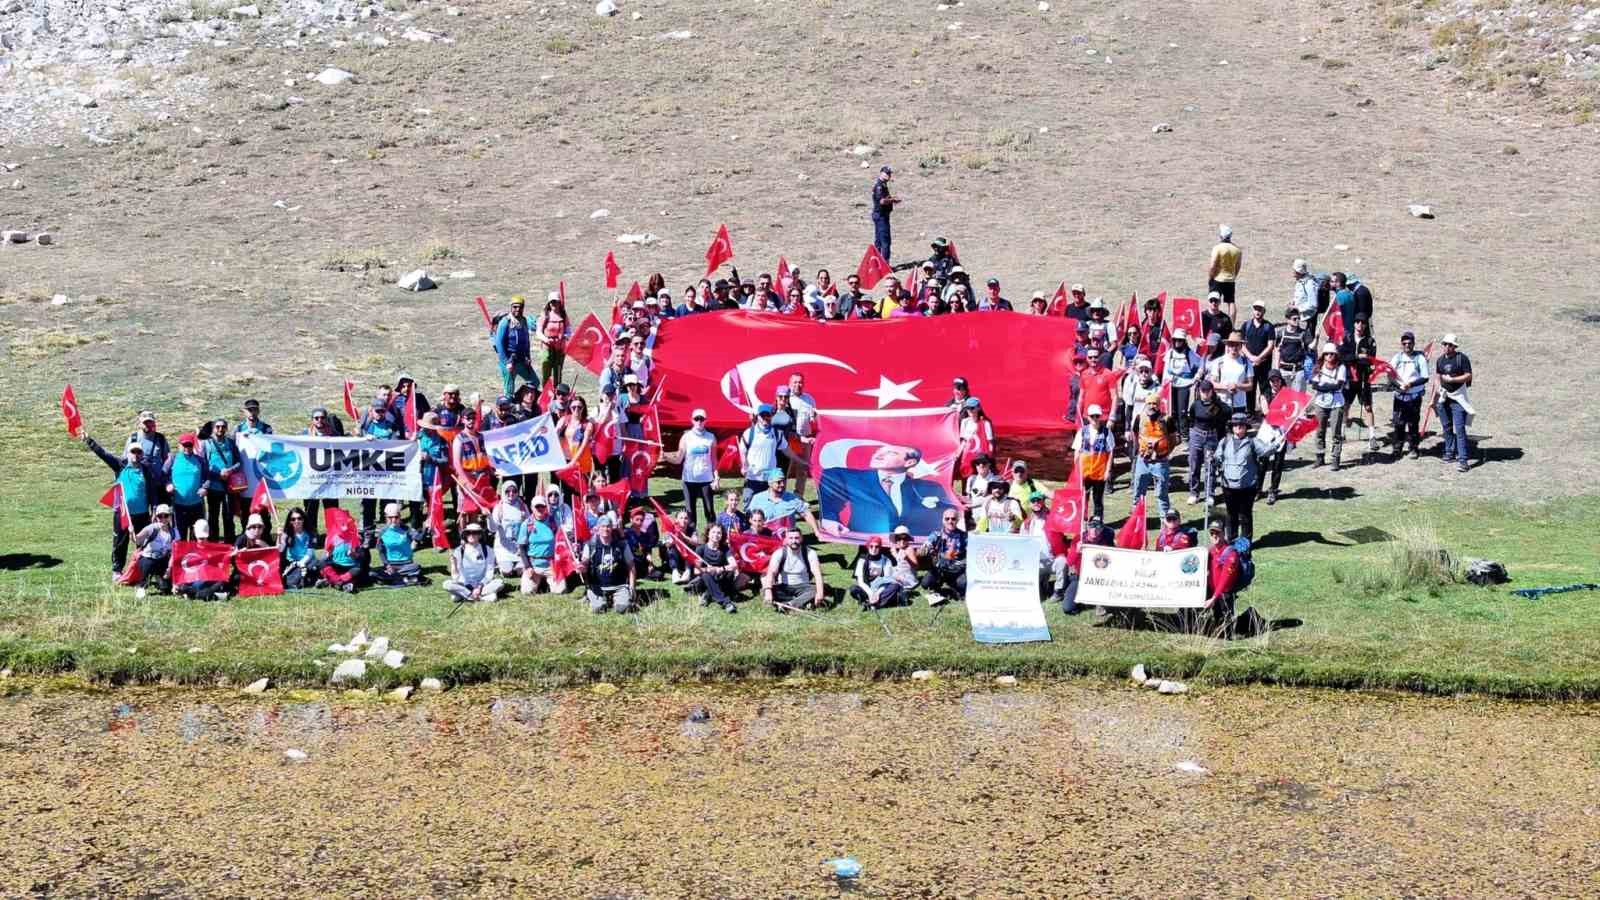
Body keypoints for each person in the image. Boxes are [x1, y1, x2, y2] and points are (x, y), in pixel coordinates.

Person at [1214, 413, 1273, 541]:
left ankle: (1246, 543)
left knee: (1245, 515)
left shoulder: (1253, 442)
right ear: (1232, 427)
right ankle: (1231, 540)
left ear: (1246, 427)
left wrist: (1276, 445)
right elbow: (1217, 456)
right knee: (1231, 514)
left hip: (1247, 486)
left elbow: (1265, 451)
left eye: (1241, 425)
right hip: (1228, 486)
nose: (1238, 427)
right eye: (1235, 425)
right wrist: (1213, 460)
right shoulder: (1224, 442)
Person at [659, 407, 718, 531]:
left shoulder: (711, 437)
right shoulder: (686, 437)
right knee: (690, 514)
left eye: (701, 419)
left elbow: (713, 460)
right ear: (692, 420)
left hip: (706, 479)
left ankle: (713, 539)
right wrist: (666, 457)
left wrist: (716, 477)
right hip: (689, 480)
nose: (699, 421)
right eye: (696, 419)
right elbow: (679, 459)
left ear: (705, 420)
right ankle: (692, 539)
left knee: (710, 512)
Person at [1339, 313, 1380, 458]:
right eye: (1357, 322)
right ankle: (1342, 433)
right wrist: (1356, 357)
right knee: (1345, 406)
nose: (1360, 325)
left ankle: (1372, 436)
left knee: (1368, 407)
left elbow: (1371, 360)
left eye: (1363, 323)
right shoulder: (1347, 338)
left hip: (1364, 379)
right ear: (1354, 323)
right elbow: (1342, 357)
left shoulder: (1370, 341)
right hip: (1350, 379)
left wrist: (1358, 359)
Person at [1130, 394, 1177, 518]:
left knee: (1162, 494)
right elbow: (1135, 435)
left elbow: (1173, 439)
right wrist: (1139, 449)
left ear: (1159, 404)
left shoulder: (1167, 419)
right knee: (1138, 492)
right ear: (1146, 404)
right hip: (1143, 461)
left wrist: (1167, 452)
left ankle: (1165, 523)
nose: (1152, 406)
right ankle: (1137, 520)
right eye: (1149, 403)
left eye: (1155, 403)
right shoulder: (1139, 418)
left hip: (1160, 462)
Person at [1387, 330, 1431, 460]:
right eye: (1404, 343)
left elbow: (1425, 378)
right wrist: (1398, 386)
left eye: (1409, 343)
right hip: (1399, 396)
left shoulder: (1419, 358)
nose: (1407, 345)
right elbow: (1389, 375)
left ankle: (1413, 448)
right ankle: (1397, 449)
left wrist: (1410, 385)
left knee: (1413, 423)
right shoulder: (1397, 357)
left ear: (1413, 343)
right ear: (1401, 344)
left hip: (1414, 397)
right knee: (1398, 423)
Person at [1021, 493, 1070, 606]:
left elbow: (1067, 521)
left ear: (1043, 502)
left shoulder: (1054, 518)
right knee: (1038, 596)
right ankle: (1043, 584)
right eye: (1033, 501)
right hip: (1036, 562)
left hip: (1053, 559)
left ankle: (1058, 591)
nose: (1036, 503)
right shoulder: (1026, 524)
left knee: (1062, 561)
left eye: (1039, 500)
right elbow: (1022, 544)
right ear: (1030, 504)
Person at [1434, 333, 1474, 472]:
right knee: (1446, 427)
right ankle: (1449, 452)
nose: (1446, 347)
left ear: (1454, 346)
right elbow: (1437, 376)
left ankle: (1463, 460)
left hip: (1458, 398)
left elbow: (1468, 375)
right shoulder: (1440, 360)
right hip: (1444, 398)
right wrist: (1438, 389)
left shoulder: (1461, 358)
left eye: (1449, 345)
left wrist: (1453, 380)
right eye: (1444, 344)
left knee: (1460, 429)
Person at [762, 527, 826, 613]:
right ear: (786, 539)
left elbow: (818, 574)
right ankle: (803, 602)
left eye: (796, 538)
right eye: (791, 538)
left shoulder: (810, 553)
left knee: (816, 589)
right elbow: (771, 572)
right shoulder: (779, 553)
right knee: (764, 590)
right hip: (784, 586)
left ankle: (789, 605)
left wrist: (820, 593)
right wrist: (768, 591)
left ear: (801, 538)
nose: (794, 541)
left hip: (803, 586)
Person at [737, 404, 790, 505]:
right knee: (749, 507)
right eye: (763, 415)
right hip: (753, 478)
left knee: (770, 507)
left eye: (768, 415)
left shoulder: (777, 433)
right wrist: (744, 465)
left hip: (770, 480)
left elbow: (787, 450)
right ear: (758, 416)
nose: (765, 418)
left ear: (772, 416)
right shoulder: (749, 433)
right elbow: (743, 451)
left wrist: (801, 461)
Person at [1071, 405, 1115, 522]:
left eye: (1097, 416)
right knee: (1083, 497)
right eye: (1092, 416)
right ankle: (1082, 519)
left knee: (1098, 499)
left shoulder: (1106, 432)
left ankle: (1098, 521)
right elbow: (1077, 451)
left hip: (1099, 472)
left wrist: (1108, 471)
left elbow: (1110, 452)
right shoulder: (1082, 431)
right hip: (1084, 471)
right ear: (1088, 418)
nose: (1095, 418)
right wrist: (1076, 470)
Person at [1310, 341, 1350, 471]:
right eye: (1327, 354)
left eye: (1332, 354)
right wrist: (1327, 387)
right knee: (1320, 431)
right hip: (1320, 403)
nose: (1329, 356)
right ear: (1324, 355)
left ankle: (1335, 459)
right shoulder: (1319, 367)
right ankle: (1320, 457)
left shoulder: (1341, 368)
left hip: (1336, 403)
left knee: (1336, 433)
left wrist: (1324, 387)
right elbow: (1315, 385)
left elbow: (1338, 385)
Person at [203, 418, 245, 543]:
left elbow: (239, 462)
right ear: (213, 428)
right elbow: (204, 465)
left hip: (230, 487)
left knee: (228, 517)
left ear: (226, 428)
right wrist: (218, 474)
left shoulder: (231, 443)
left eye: (223, 427)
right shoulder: (207, 444)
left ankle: (230, 544)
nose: (220, 429)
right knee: (213, 517)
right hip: (213, 486)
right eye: (218, 427)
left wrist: (230, 470)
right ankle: (213, 543)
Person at [1186, 380, 1228, 505]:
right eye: (1203, 391)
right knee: (1194, 465)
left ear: (1211, 391)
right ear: (1199, 391)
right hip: (1196, 435)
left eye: (1208, 391)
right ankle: (1194, 493)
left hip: (1211, 436)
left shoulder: (1217, 405)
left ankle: (1210, 493)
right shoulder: (1195, 405)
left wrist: (1218, 402)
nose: (1205, 394)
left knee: (1210, 466)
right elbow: (1191, 418)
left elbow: (1227, 412)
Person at [163, 433, 210, 542]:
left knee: (197, 535)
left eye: (189, 445)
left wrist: (205, 488)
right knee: (180, 536)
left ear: (193, 445)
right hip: (179, 506)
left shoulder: (200, 460)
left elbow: (207, 477)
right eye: (184, 445)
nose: (187, 448)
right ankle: (182, 558)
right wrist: (168, 484)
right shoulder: (172, 459)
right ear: (179, 445)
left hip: (197, 505)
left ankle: (195, 558)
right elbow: (163, 475)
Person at [301, 407, 343, 528]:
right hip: (311, 479)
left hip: (330, 480)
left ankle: (333, 534)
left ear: (327, 419)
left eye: (322, 417)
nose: (320, 420)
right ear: (312, 420)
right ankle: (312, 534)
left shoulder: (335, 435)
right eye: (316, 418)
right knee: (310, 509)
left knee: (332, 509)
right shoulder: (304, 434)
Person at [1061, 517, 1114, 615]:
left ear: (1102, 529)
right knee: (1067, 608)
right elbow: (1069, 562)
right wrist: (1077, 551)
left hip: (1099, 578)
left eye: (1098, 526)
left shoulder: (1106, 541)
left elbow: (1115, 560)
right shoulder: (1079, 539)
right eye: (1092, 526)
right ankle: (1080, 599)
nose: (1094, 530)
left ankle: (1100, 603)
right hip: (1080, 577)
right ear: (1087, 527)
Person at [583, 518, 636, 614]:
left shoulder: (622, 545)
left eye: (608, 526)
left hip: (619, 586)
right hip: (597, 586)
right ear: (598, 528)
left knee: (623, 608)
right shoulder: (590, 545)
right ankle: (593, 596)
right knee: (598, 609)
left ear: (612, 528)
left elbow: (631, 566)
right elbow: (584, 564)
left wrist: (632, 588)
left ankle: (616, 598)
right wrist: (581, 567)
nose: (605, 529)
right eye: (602, 526)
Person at [519, 494, 568, 595]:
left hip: (550, 565)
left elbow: (560, 542)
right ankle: (539, 581)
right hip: (534, 565)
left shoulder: (552, 522)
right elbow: (522, 547)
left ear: (546, 507)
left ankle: (546, 582)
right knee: (527, 592)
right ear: (532, 508)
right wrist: (528, 567)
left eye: (542, 506)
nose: (540, 509)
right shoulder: (526, 524)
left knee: (560, 590)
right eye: (537, 507)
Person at [851, 535, 917, 609]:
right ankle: (879, 601)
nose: (874, 549)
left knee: (895, 586)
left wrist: (877, 593)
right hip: (867, 588)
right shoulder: (862, 561)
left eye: (877, 547)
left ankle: (872, 604)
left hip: (881, 588)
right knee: (853, 589)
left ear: (880, 548)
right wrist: (871, 594)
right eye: (871, 546)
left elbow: (887, 580)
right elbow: (861, 582)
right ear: (868, 547)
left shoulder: (885, 560)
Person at [492, 295, 538, 400]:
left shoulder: (524, 321)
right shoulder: (505, 322)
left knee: (534, 381)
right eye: (515, 307)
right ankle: (509, 405)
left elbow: (526, 340)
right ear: (511, 307)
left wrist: (528, 357)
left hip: (522, 360)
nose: (518, 309)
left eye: (520, 307)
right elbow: (499, 342)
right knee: (509, 389)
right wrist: (506, 361)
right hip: (510, 360)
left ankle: (520, 399)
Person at [919, 509, 968, 605]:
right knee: (926, 584)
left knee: (963, 585)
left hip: (956, 570)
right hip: (939, 569)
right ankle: (940, 585)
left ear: (957, 520)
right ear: (943, 520)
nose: (950, 521)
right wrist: (925, 548)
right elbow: (928, 543)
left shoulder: (964, 536)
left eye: (953, 519)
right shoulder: (936, 535)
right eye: (947, 519)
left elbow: (972, 549)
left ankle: (953, 585)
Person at [446, 523, 504, 603]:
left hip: (482, 584)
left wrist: (479, 587)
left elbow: (489, 572)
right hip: (465, 584)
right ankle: (478, 596)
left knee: (499, 582)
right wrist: (453, 564)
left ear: (480, 535)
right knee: (447, 584)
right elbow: (456, 577)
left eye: (475, 533)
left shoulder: (488, 550)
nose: (471, 535)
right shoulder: (459, 551)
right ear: (465, 535)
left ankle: (465, 596)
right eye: (468, 533)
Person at [750, 469, 821, 534]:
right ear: (770, 483)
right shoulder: (758, 498)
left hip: (787, 538)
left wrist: (817, 531)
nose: (782, 484)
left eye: (783, 481)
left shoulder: (792, 498)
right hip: (765, 536)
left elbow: (806, 513)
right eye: (778, 482)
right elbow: (750, 518)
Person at [369, 504, 424, 586]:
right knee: (371, 572)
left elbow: (419, 538)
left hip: (407, 564)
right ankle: (406, 578)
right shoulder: (382, 532)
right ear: (386, 517)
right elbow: (381, 551)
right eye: (390, 517)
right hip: (391, 565)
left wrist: (425, 529)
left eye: (396, 517)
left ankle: (392, 577)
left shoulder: (406, 529)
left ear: (400, 516)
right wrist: (387, 565)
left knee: (416, 567)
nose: (394, 520)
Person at [1162, 329, 1205, 433]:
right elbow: (1166, 368)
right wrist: (1164, 383)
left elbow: (1201, 364)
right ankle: (1175, 433)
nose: (1177, 342)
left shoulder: (1189, 354)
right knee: (1172, 410)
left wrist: (1196, 377)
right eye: (1176, 340)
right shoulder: (1170, 353)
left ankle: (1184, 433)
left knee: (1182, 411)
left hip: (1184, 385)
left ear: (1184, 341)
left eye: (1180, 340)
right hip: (1171, 384)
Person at [691, 523, 741, 613]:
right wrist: (707, 570)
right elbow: (696, 571)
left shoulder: (725, 549)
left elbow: (734, 565)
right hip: (705, 579)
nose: (716, 535)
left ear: (722, 535)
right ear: (708, 534)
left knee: (730, 573)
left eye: (719, 533)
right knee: (706, 575)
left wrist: (720, 569)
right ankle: (726, 602)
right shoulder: (701, 549)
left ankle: (708, 594)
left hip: (720, 577)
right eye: (713, 532)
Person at [127, 505, 176, 595]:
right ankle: (141, 586)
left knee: (166, 589)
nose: (163, 519)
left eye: (166, 516)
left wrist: (169, 569)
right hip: (148, 558)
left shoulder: (174, 532)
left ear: (170, 516)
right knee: (148, 564)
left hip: (162, 560)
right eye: (160, 516)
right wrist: (131, 533)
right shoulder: (151, 528)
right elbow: (137, 540)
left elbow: (174, 553)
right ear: (156, 517)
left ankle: (159, 578)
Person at [488, 481, 530, 580]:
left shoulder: (522, 506)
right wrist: (489, 517)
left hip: (519, 549)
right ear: (503, 491)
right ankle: (500, 565)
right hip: (503, 549)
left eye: (514, 491)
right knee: (507, 572)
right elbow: (492, 529)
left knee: (522, 571)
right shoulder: (499, 507)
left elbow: (529, 525)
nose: (511, 494)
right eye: (507, 491)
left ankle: (518, 564)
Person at [1240, 301, 1277, 415]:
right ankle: (1250, 412)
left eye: (1260, 309)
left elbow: (1270, 345)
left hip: (1264, 364)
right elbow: (1242, 344)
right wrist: (1251, 357)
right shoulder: (1246, 325)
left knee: (1265, 389)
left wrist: (1259, 358)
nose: (1258, 311)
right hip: (1249, 363)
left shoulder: (1268, 326)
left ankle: (1265, 412)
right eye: (1256, 309)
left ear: (1264, 311)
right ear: (1253, 310)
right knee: (1250, 389)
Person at [1206, 332, 1254, 414]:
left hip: (1239, 404)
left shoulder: (1246, 363)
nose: (1234, 347)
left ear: (1241, 346)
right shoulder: (1219, 362)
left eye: (1237, 345)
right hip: (1221, 403)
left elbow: (1250, 386)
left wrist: (1237, 386)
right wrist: (1227, 387)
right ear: (1227, 345)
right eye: (1231, 345)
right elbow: (1212, 383)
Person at [277, 507, 319, 590]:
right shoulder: (287, 533)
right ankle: (311, 579)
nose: (297, 521)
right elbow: (280, 550)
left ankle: (308, 578)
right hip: (292, 562)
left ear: (304, 519)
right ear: (290, 521)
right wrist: (279, 536)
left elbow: (310, 553)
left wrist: (302, 562)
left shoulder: (311, 533)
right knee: (287, 578)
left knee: (312, 566)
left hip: (307, 561)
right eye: (293, 519)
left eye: (299, 518)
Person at [1208, 224, 1242, 320]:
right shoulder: (1237, 250)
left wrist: (1211, 276)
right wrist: (1233, 276)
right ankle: (1231, 326)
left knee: (1213, 300)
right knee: (1231, 302)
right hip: (1230, 279)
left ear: (1221, 236)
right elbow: (1238, 266)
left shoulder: (1217, 248)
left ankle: (1212, 321)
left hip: (1217, 279)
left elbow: (1213, 265)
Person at [1274, 307, 1313, 392]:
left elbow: (1311, 347)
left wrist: (1316, 339)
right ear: (1287, 320)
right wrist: (1276, 370)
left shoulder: (1304, 333)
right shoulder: (1281, 334)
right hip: (1283, 371)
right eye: (1294, 319)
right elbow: (1277, 351)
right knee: (1284, 399)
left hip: (1298, 371)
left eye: (1299, 318)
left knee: (1298, 399)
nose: (1297, 320)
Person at [536, 293, 570, 387]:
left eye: (556, 302)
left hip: (560, 349)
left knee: (558, 373)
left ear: (559, 303)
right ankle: (545, 394)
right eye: (552, 302)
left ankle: (557, 393)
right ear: (549, 303)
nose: (554, 304)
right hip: (547, 349)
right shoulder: (545, 315)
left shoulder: (563, 315)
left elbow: (568, 329)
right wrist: (546, 339)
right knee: (546, 372)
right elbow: (538, 331)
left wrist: (564, 336)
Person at [1290, 259, 1320, 337]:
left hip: (1307, 319)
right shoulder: (1301, 281)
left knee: (1306, 342)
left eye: (1294, 271)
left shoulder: (1309, 283)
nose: (1293, 273)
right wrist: (1294, 301)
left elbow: (1313, 304)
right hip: (1301, 317)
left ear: (1298, 272)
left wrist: (1298, 308)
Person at [1200, 292, 1234, 359]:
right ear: (1208, 302)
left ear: (1220, 302)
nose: (1213, 303)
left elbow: (1229, 338)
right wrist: (1197, 340)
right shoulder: (1201, 316)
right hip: (1203, 354)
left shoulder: (1225, 319)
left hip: (1220, 355)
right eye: (1211, 300)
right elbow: (1193, 333)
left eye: (1216, 300)